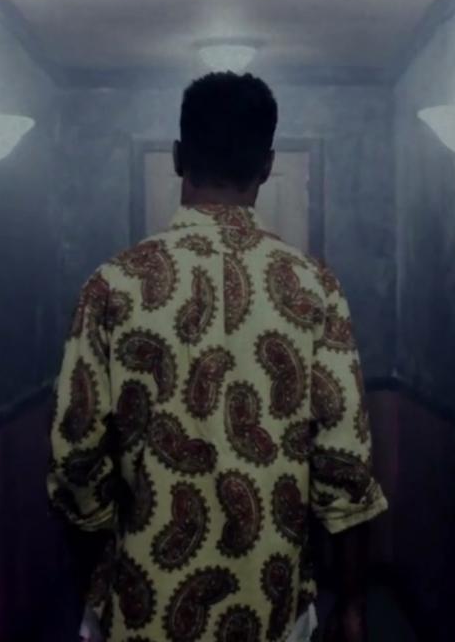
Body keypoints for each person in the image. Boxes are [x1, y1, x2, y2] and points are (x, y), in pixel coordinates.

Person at [47, 72, 387, 642]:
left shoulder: (112, 286)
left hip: (141, 604)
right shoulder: (313, 287)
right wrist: (352, 605)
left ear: (179, 157)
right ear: (267, 166)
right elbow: (345, 464)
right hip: (272, 606)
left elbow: (77, 452)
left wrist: (100, 564)